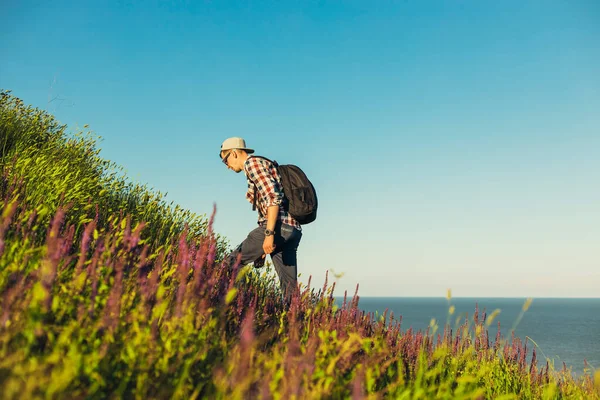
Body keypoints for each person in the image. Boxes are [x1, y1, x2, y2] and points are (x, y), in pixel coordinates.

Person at [220, 137, 302, 300]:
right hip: (292, 230)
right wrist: (262, 249)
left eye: (225, 160)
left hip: (278, 227)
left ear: (234, 153)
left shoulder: (252, 165)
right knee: (290, 288)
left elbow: (273, 197)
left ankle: (222, 304)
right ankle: (295, 323)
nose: (227, 166)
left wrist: (269, 233)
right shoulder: (264, 164)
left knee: (229, 264)